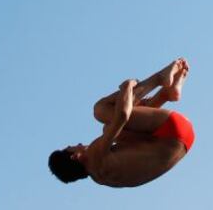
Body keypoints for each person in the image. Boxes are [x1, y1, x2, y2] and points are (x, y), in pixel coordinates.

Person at [48, 58, 194, 188]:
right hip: (172, 129)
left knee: (112, 130)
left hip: (182, 141)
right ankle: (159, 79)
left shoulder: (101, 176)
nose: (78, 143)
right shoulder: (93, 156)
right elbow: (122, 116)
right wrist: (127, 86)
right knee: (100, 110)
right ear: (74, 156)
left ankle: (165, 94)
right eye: (71, 147)